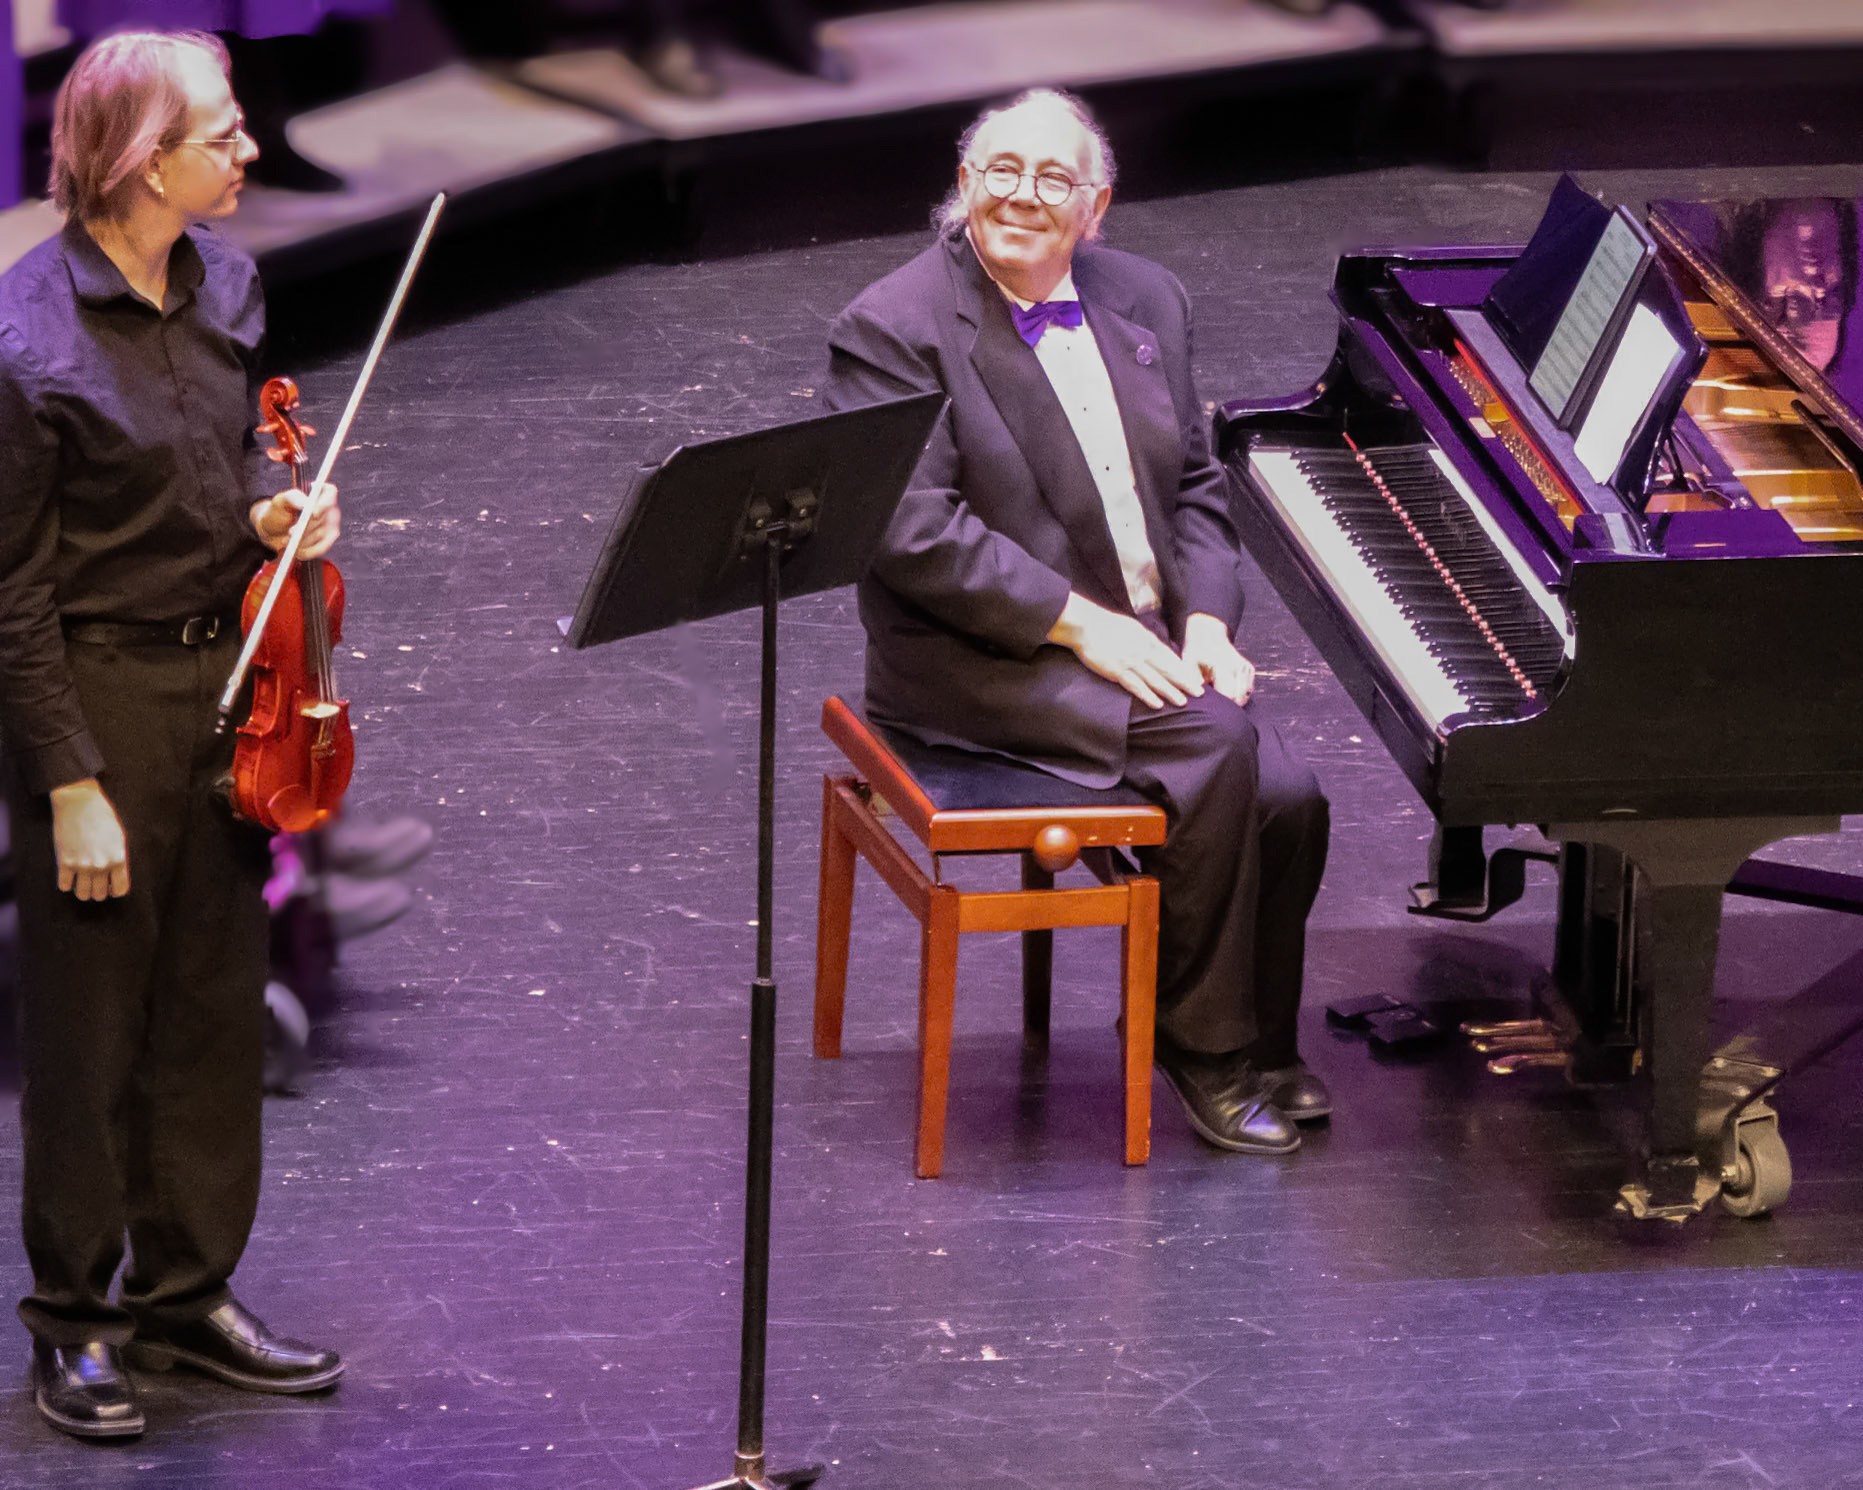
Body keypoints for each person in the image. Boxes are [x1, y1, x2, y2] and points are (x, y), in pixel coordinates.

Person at [824, 89, 1332, 1158]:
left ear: (1094, 210)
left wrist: (1206, 624)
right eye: (1000, 170)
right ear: (965, 187)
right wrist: (1080, 627)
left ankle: (1255, 1035)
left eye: (1053, 179)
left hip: (1140, 635)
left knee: (1292, 797)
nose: (1022, 195)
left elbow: (1196, 487)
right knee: (1222, 748)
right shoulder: (892, 327)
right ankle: (1203, 1050)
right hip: (977, 657)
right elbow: (911, 533)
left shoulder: (1148, 298)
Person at [0, 30, 344, 1440]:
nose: (250, 152)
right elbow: (11, 594)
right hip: (103, 703)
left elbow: (215, 484)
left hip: (232, 687)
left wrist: (277, 522)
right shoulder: (25, 346)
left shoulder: (230, 285)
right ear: (144, 163)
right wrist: (71, 782)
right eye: (224, 135)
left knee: (210, 1009)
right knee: (92, 1037)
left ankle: (186, 1293)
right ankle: (75, 1320)